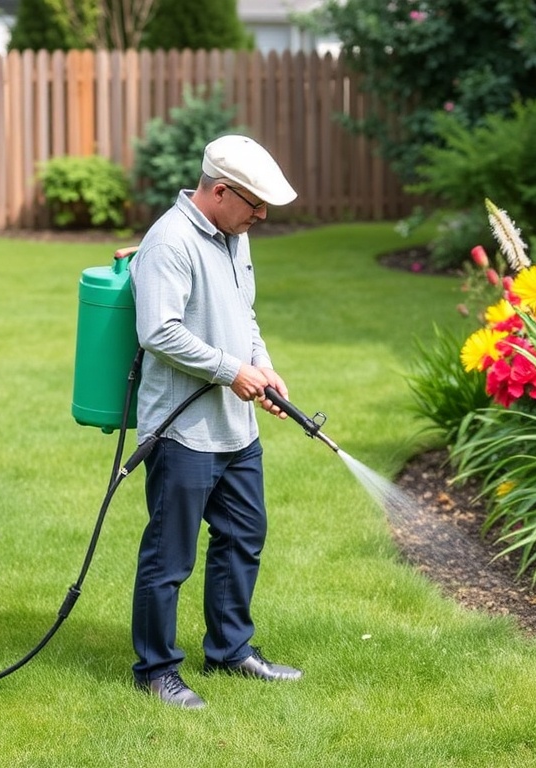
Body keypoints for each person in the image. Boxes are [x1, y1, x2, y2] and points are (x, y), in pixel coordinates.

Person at [128, 135, 301, 709]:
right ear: (220, 190)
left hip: (236, 429)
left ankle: (230, 651)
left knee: (243, 537)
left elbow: (243, 313)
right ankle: (155, 670)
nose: (262, 215)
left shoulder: (234, 237)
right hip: (183, 432)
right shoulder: (169, 241)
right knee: (170, 556)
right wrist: (232, 371)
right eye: (254, 204)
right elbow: (159, 330)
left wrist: (265, 369)